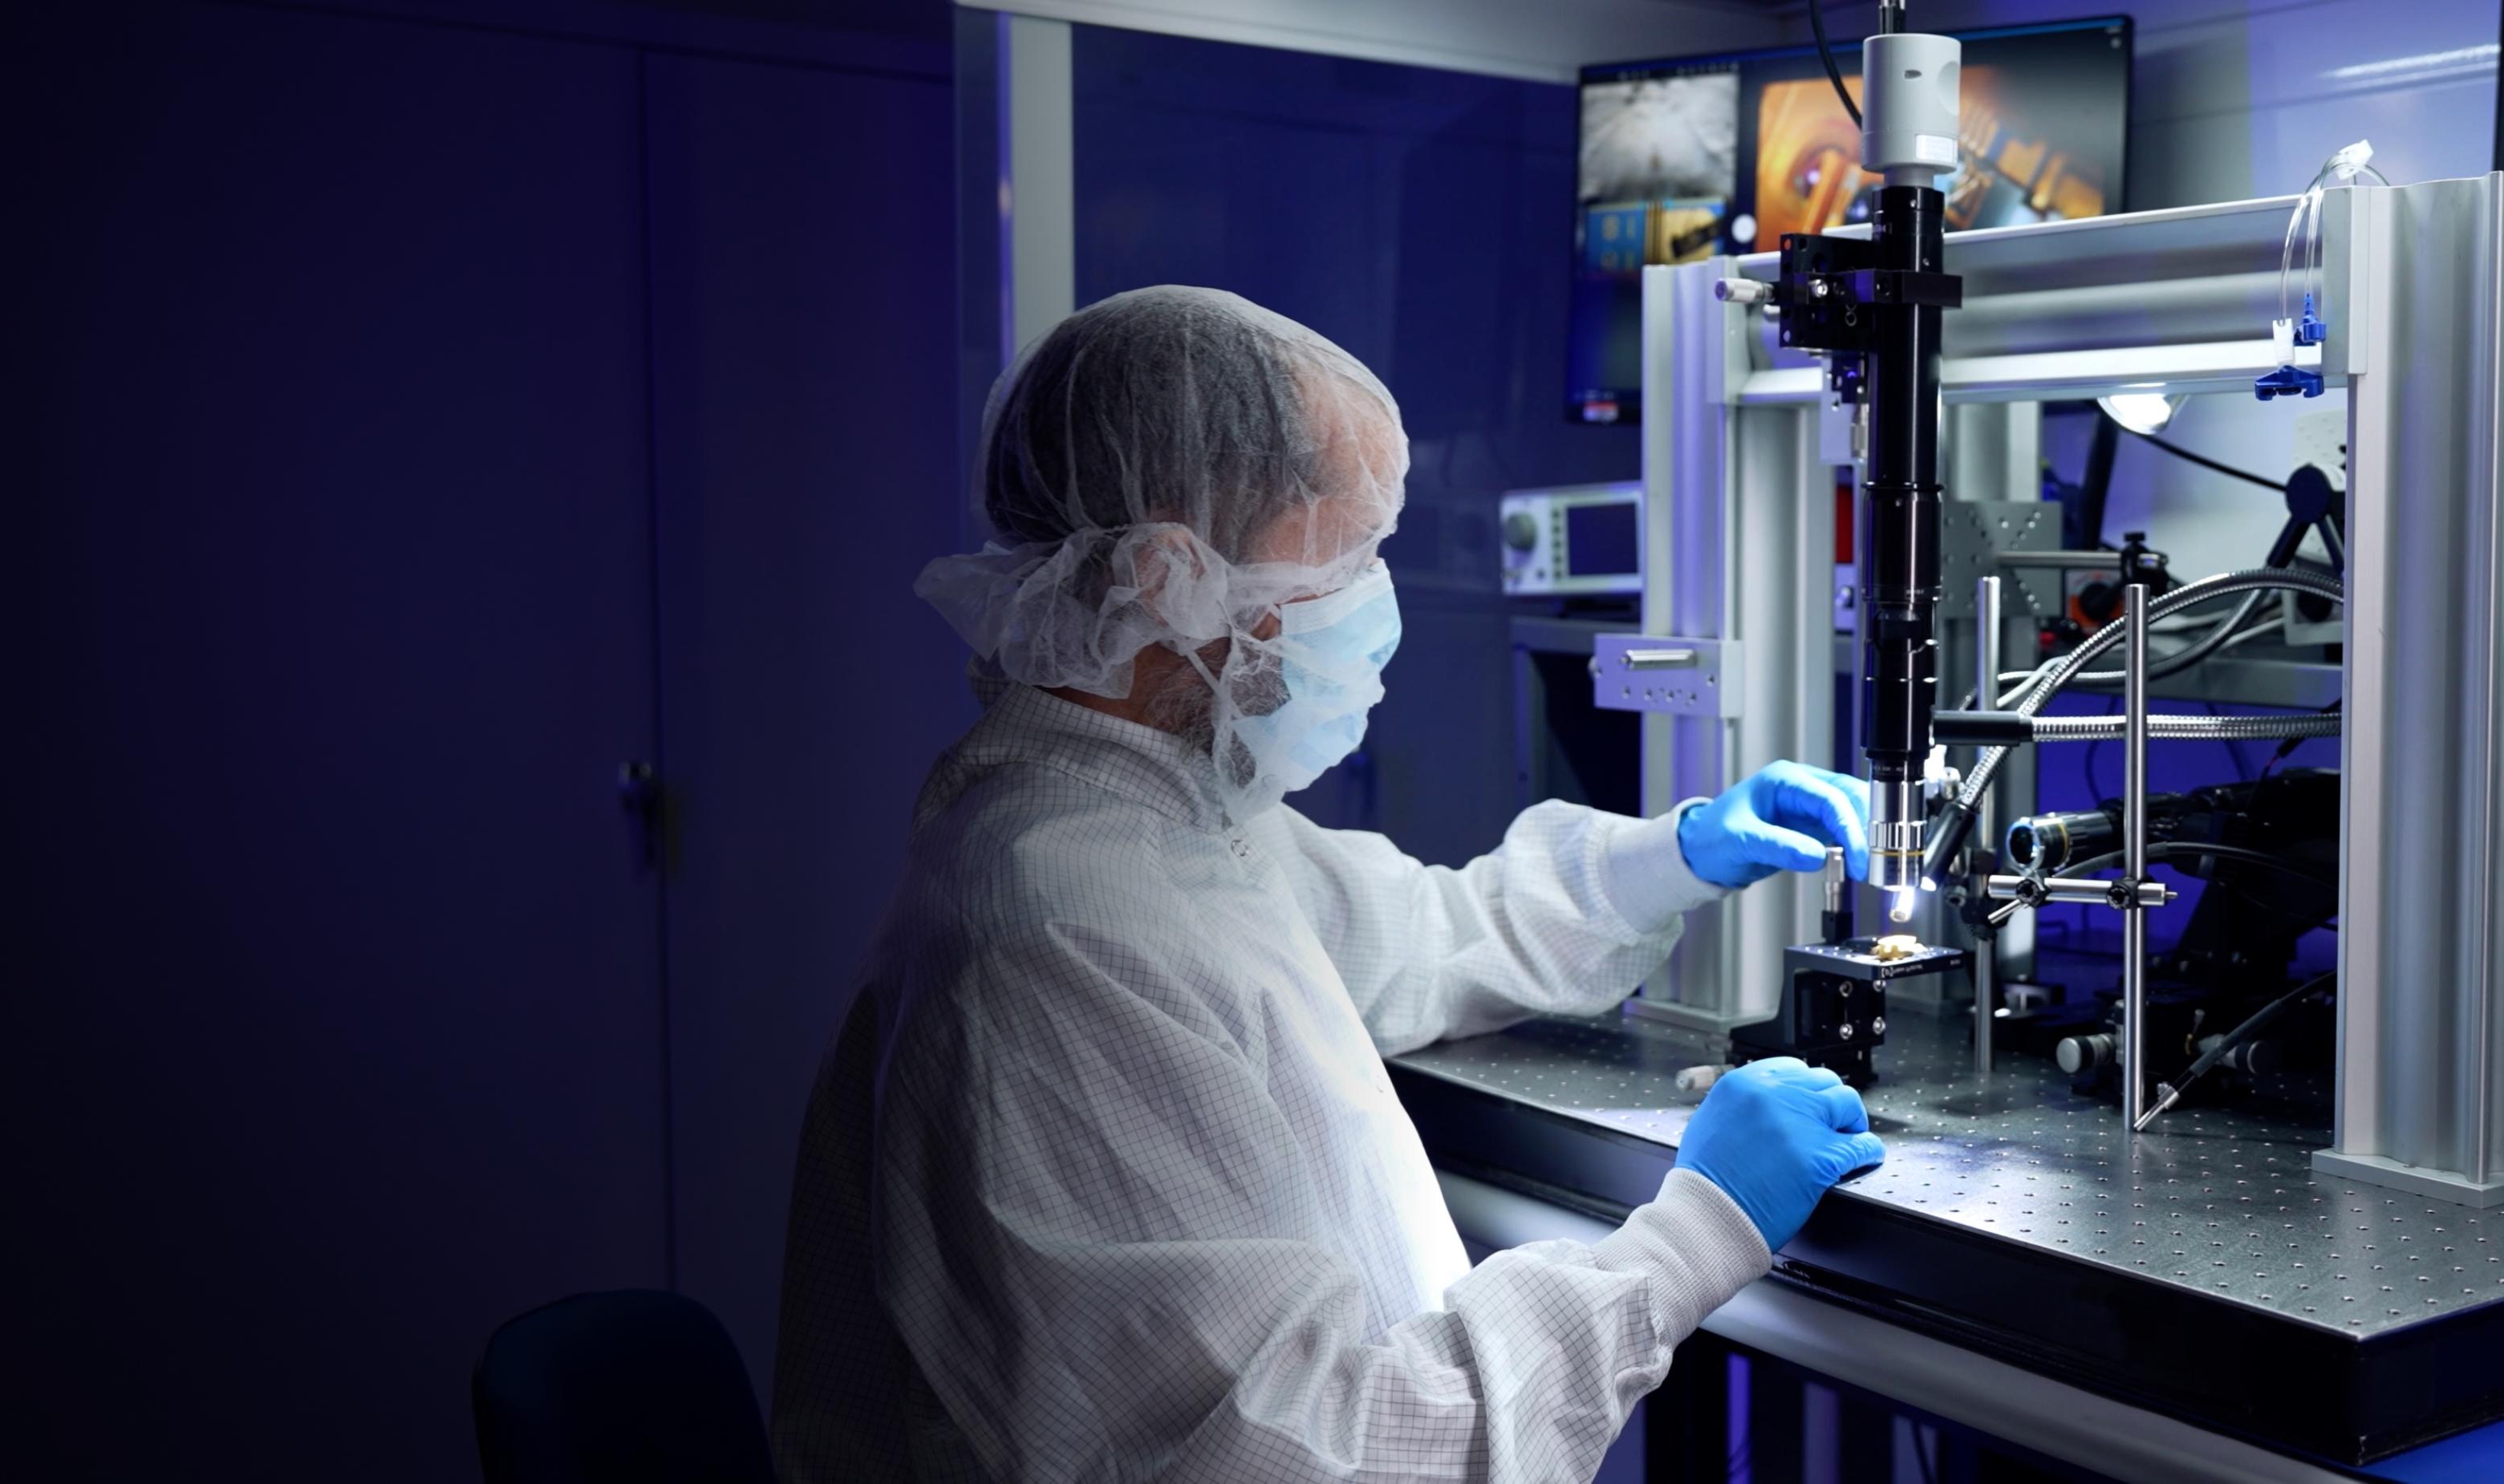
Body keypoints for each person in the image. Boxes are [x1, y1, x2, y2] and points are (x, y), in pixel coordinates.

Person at [773, 286, 1886, 1482]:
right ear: (1166, 574)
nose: (1378, 605)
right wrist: (1692, 1232)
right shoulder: (1056, 932)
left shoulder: (1162, 819)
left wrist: (1685, 849)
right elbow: (1306, 1455)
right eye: (1351, 555)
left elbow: (1423, 933)